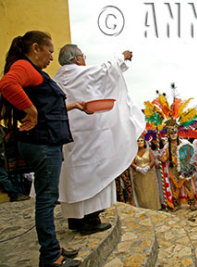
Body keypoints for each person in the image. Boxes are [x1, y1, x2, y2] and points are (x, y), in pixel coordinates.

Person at [0, 31, 82, 267]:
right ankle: (50, 257)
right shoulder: (24, 67)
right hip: (42, 144)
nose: (51, 57)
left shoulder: (33, 72)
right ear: (35, 48)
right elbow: (7, 84)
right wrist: (31, 112)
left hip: (44, 142)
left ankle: (52, 246)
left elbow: (48, 108)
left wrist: (74, 106)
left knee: (48, 198)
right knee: (47, 200)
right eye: (49, 52)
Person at [53, 44, 145, 235]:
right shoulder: (81, 73)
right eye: (83, 56)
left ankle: (75, 219)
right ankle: (91, 220)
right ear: (77, 59)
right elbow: (107, 70)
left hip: (69, 136)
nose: (84, 59)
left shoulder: (57, 78)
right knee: (94, 173)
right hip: (89, 135)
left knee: (73, 174)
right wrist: (123, 56)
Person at [131, 136, 161, 209]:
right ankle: (143, 207)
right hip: (138, 175)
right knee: (141, 191)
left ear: (144, 142)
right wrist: (138, 168)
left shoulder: (148, 151)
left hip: (149, 173)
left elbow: (153, 161)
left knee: (150, 190)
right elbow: (131, 163)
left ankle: (154, 206)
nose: (140, 142)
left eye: (141, 140)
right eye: (138, 141)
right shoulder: (134, 152)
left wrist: (148, 167)